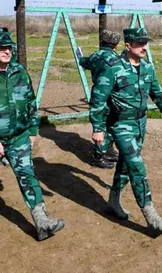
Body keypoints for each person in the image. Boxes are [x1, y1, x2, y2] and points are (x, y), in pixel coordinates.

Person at [89, 27, 162, 235]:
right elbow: (98, 98)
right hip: (120, 125)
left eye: (145, 43)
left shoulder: (147, 68)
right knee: (137, 167)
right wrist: (98, 128)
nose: (144, 47)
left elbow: (157, 94)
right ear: (128, 45)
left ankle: (113, 201)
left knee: (124, 165)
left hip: (140, 124)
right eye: (140, 44)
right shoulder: (113, 68)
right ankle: (152, 217)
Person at [0, 31, 64, 241]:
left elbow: (30, 102)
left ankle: (42, 222)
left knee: (27, 175)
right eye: (1, 48)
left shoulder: (19, 71)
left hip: (18, 137)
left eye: (8, 47)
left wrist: (33, 130)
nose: (6, 51)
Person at [79, 30, 121, 169]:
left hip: (100, 93)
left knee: (106, 123)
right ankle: (98, 156)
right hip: (110, 95)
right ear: (115, 45)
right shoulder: (116, 59)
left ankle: (107, 150)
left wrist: (80, 56)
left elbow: (84, 62)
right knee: (106, 124)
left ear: (102, 42)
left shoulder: (95, 56)